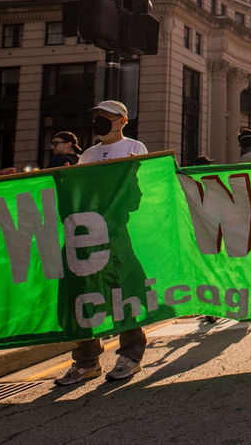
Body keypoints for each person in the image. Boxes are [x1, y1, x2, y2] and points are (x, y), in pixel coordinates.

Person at [56, 100, 150, 385]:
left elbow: (140, 193)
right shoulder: (89, 155)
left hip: (117, 233)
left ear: (122, 121)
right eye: (96, 116)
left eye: (105, 117)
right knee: (81, 294)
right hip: (86, 235)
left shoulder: (135, 148)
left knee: (124, 292)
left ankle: (130, 356)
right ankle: (86, 361)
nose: (98, 121)